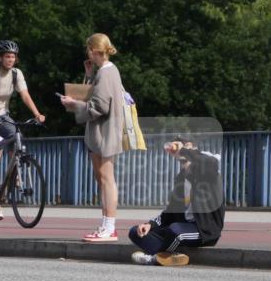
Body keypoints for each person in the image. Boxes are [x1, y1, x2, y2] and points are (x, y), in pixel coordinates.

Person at [59, 33, 125, 242]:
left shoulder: (106, 73)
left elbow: (99, 106)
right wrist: (89, 76)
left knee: (106, 179)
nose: (87, 52)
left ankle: (109, 227)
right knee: (103, 179)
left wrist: (73, 104)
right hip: (104, 131)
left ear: (94, 50)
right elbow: (96, 98)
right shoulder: (107, 71)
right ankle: (106, 225)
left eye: (88, 49)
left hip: (104, 132)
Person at [128, 135, 226, 266]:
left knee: (175, 230)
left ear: (192, 148)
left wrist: (185, 150)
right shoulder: (181, 178)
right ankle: (170, 256)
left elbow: (210, 162)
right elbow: (171, 211)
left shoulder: (208, 171)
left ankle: (155, 257)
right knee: (136, 232)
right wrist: (150, 224)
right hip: (182, 226)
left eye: (184, 147)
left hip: (203, 230)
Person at [0, 39, 46, 221]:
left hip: (3, 115)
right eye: (7, 56)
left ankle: (15, 169)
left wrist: (37, 114)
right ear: (0, 58)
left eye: (13, 57)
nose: (11, 60)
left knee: (17, 136)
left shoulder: (16, 74)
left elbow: (25, 95)